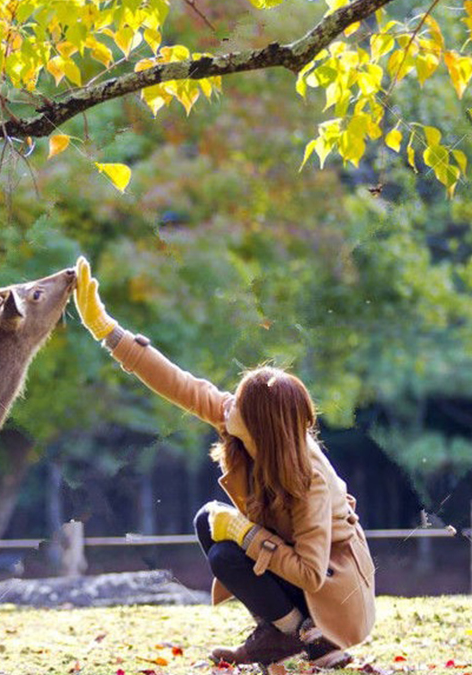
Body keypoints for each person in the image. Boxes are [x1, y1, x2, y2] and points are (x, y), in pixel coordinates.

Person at [72, 256, 375, 668]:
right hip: (298, 571)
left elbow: (310, 573)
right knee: (207, 524)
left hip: (335, 594)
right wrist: (107, 331)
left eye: (240, 403)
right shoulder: (245, 426)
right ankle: (283, 633)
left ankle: (316, 639)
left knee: (226, 554)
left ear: (261, 425)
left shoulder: (311, 479)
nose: (226, 404)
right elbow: (180, 385)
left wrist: (244, 532)